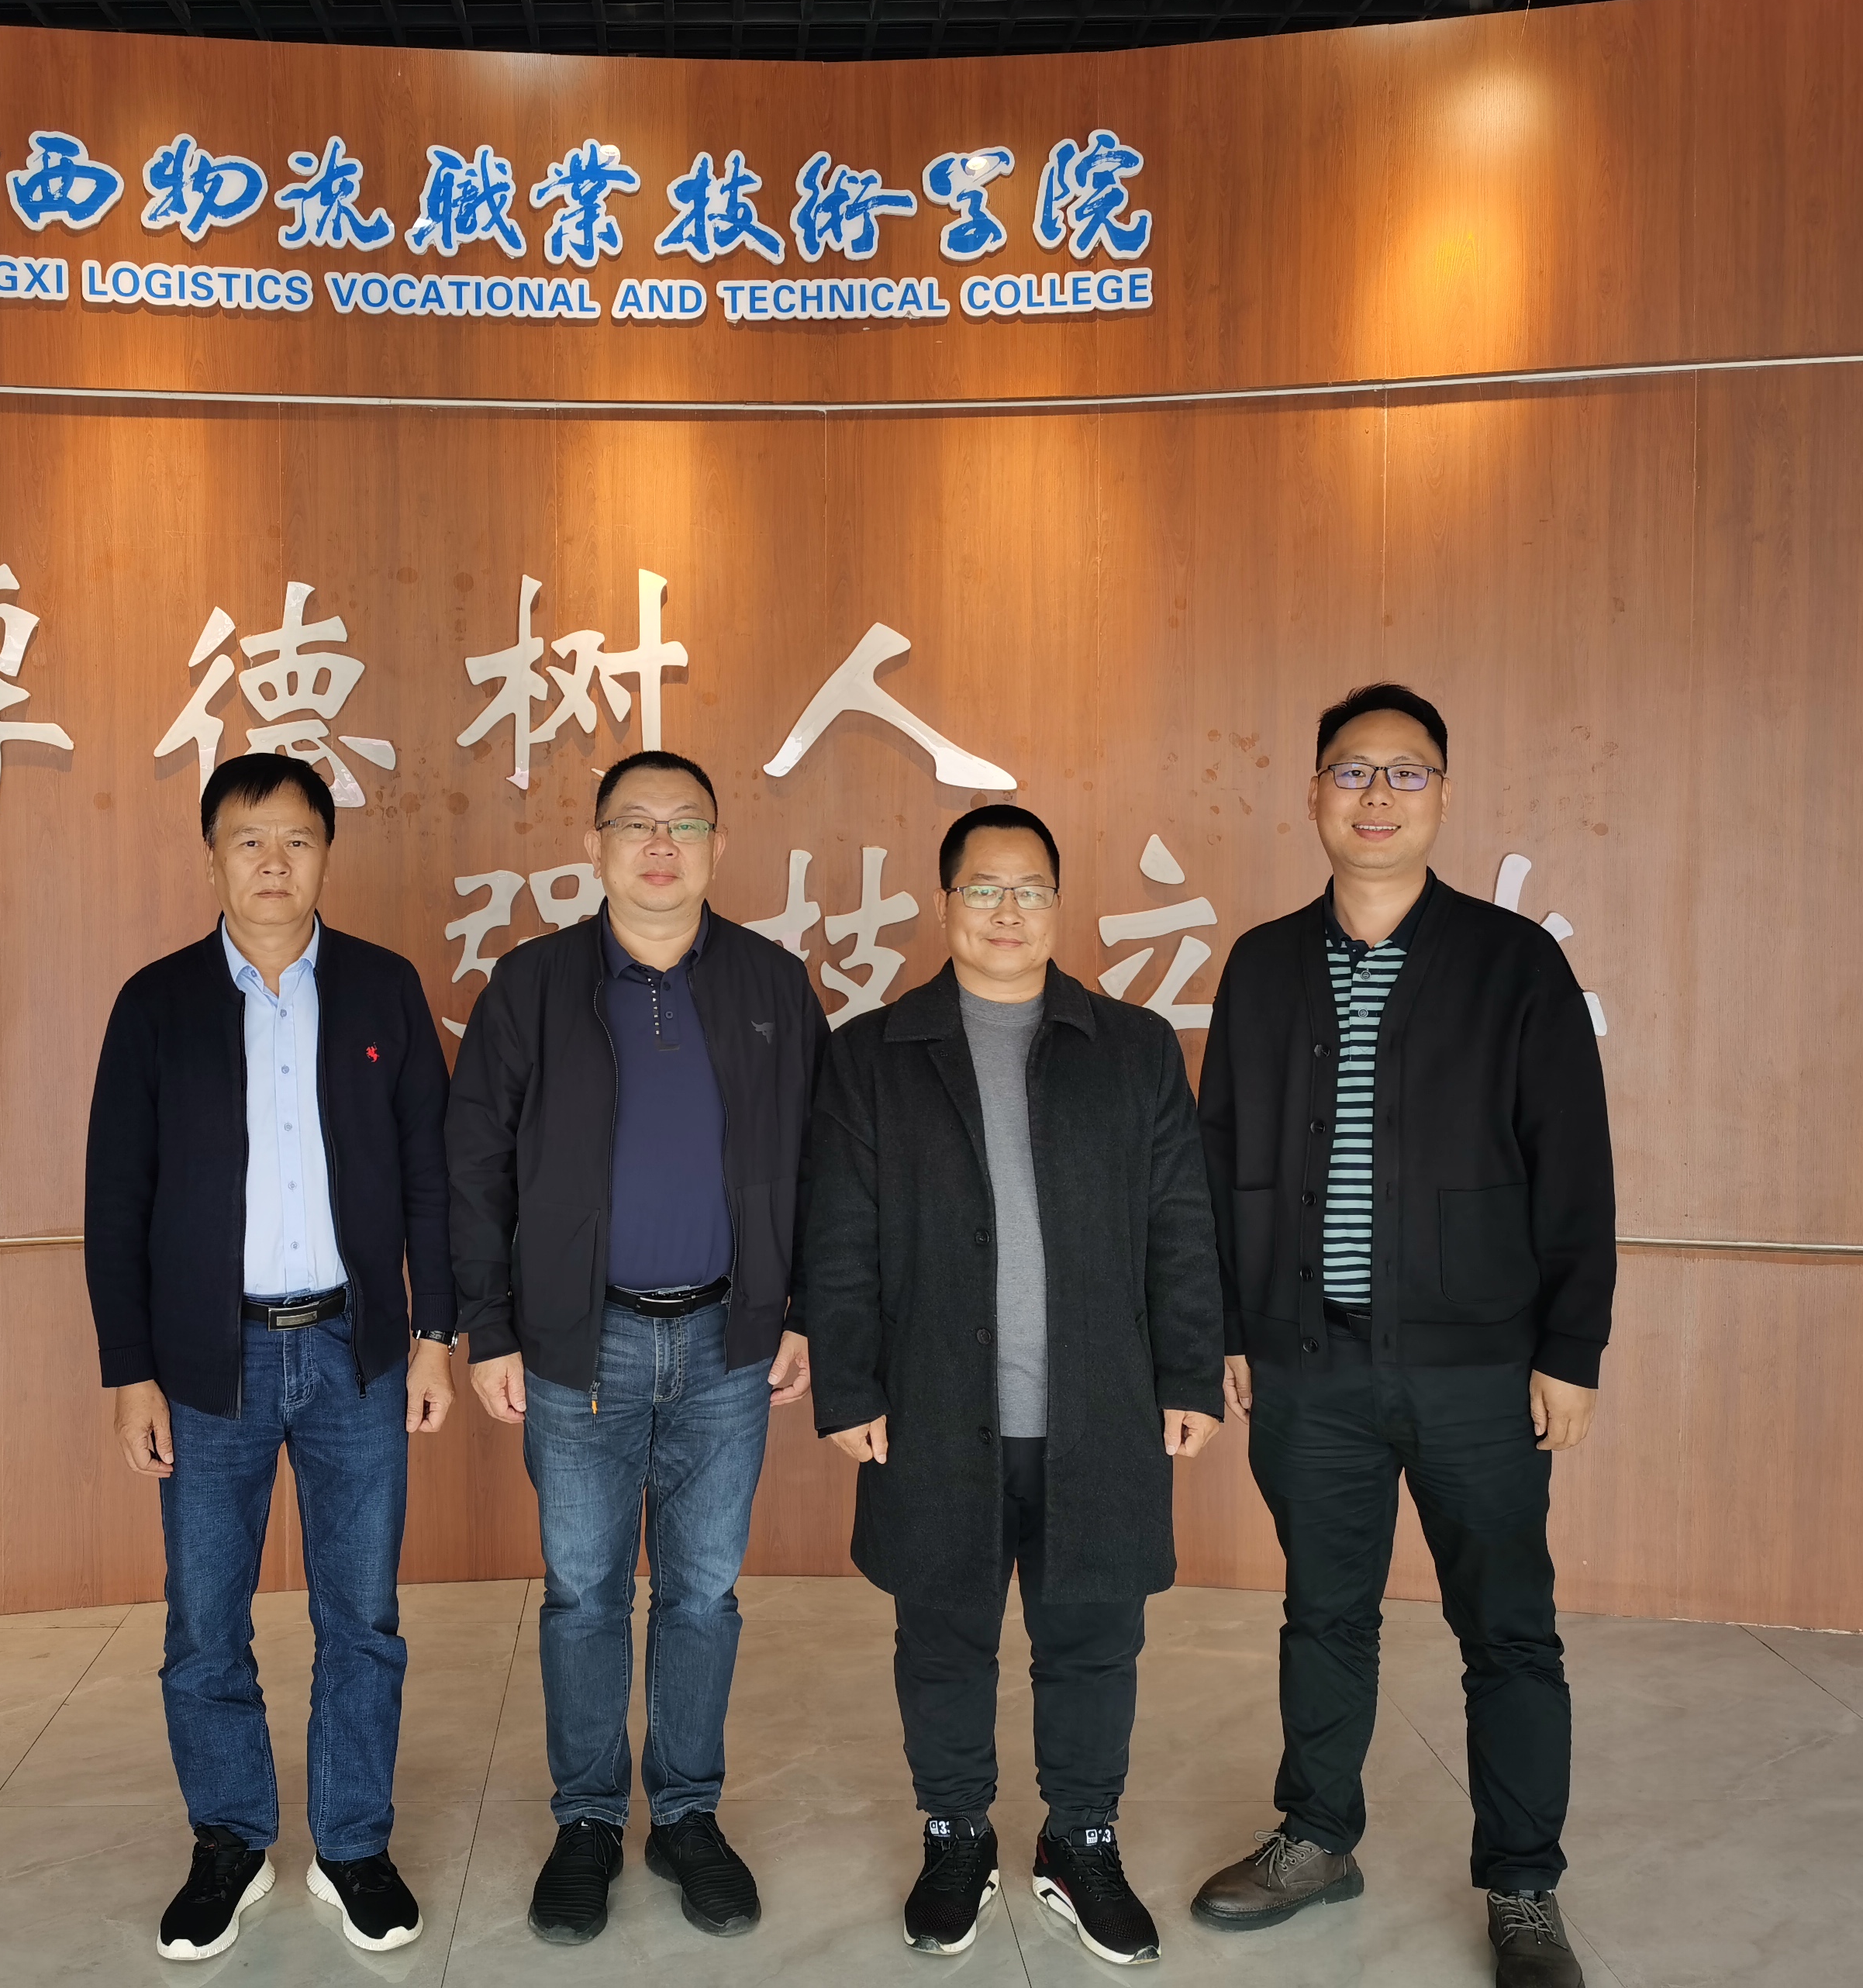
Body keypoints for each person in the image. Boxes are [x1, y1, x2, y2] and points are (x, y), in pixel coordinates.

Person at [1187, 684, 1614, 1988]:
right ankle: (1318, 1837)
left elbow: (1576, 1165)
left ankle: (1523, 1886)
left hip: (1480, 1368)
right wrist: (1229, 1325)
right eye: (1353, 771)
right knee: (1324, 1614)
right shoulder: (1264, 965)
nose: (1377, 796)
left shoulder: (1512, 963)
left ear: (1442, 796)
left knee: (1508, 1630)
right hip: (1309, 1362)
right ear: (1313, 794)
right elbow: (1220, 1159)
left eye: (1406, 773)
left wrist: (1571, 1350)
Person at [802, 801, 1228, 1967]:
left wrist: (1191, 1373)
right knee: (942, 1636)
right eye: (983, 888)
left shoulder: (1132, 1048)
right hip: (934, 1406)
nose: (1007, 909)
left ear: (1058, 903)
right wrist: (848, 1387)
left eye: (1029, 888)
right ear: (944, 903)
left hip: (1101, 1405)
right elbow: (838, 1239)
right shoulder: (874, 1055)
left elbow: (1181, 1226)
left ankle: (1081, 1838)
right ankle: (955, 1834)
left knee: (1094, 1638)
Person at [446, 750, 829, 1945]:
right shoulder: (533, 985)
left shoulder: (771, 983)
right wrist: (489, 1328)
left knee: (704, 1593)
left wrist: (805, 1311)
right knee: (583, 1595)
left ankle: (689, 1816)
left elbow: (826, 1163)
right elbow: (474, 1166)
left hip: (728, 1342)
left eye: (685, 824)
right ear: (596, 847)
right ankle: (586, 1822)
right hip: (581, 1346)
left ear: (718, 846)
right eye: (636, 823)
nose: (661, 845)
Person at [82, 751, 458, 1964]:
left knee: (363, 1618)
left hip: (357, 1350)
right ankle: (231, 1842)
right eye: (248, 841)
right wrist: (130, 1372)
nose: (273, 863)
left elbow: (431, 1179)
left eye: (296, 839)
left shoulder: (384, 990)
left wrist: (437, 1336)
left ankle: (353, 1846)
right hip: (208, 1363)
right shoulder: (157, 1004)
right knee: (205, 1623)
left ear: (325, 853)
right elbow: (115, 1200)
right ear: (213, 857)